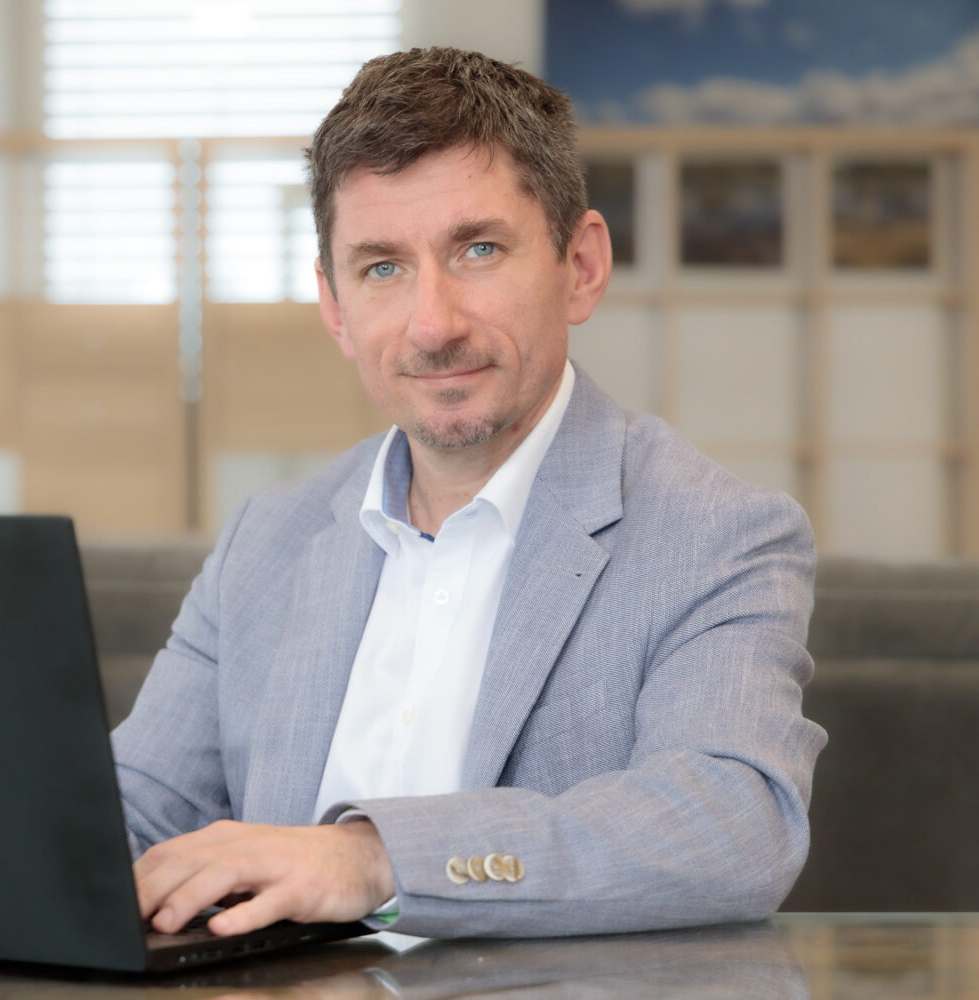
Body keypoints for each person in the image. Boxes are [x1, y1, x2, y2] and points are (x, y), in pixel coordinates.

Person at [111, 46, 826, 942]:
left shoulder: (716, 534)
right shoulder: (268, 537)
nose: (433, 324)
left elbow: (732, 822)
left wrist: (375, 859)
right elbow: (130, 817)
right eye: (381, 268)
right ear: (334, 306)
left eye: (478, 250)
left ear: (580, 265)